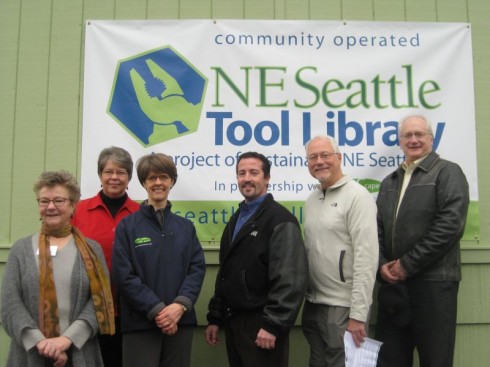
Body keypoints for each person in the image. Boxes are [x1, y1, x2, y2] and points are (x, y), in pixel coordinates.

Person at [375, 115, 470, 367]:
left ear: (431, 138)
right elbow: (377, 230)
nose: (413, 140)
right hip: (393, 287)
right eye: (407, 135)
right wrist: (382, 264)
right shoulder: (389, 181)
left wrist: (407, 264)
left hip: (434, 285)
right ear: (400, 142)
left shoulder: (448, 172)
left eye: (419, 134)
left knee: (435, 360)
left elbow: (450, 226)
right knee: (390, 360)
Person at [1, 170, 114, 367]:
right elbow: (10, 303)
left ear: (73, 206)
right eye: (44, 201)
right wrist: (41, 342)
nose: (50, 207)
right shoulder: (21, 249)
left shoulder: (92, 249)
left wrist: (66, 340)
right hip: (29, 356)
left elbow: (101, 303)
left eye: (59, 201)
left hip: (80, 353)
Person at [205, 151, 308, 367]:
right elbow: (226, 274)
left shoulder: (281, 221)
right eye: (241, 173)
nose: (247, 178)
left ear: (267, 178)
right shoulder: (236, 220)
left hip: (263, 327)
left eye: (254, 172)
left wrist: (273, 325)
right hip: (235, 324)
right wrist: (215, 318)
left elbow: (290, 280)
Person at [112, 152, 205, 367]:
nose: (158, 183)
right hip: (140, 324)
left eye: (163, 177)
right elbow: (123, 275)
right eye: (151, 178)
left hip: (180, 323)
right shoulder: (128, 227)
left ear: (172, 180)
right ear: (143, 182)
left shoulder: (185, 227)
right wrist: (157, 310)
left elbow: (197, 269)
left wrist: (179, 306)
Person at [302, 135, 379, 367]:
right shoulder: (312, 199)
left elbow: (367, 258)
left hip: (343, 309)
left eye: (325, 155)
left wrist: (358, 314)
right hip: (313, 304)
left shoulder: (357, 196)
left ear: (339, 158)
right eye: (312, 157)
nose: (319, 161)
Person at [71, 146, 139, 367]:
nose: (114, 177)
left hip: (128, 309)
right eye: (108, 171)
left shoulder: (140, 214)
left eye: (121, 172)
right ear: (100, 175)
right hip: (86, 308)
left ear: (129, 177)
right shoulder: (78, 211)